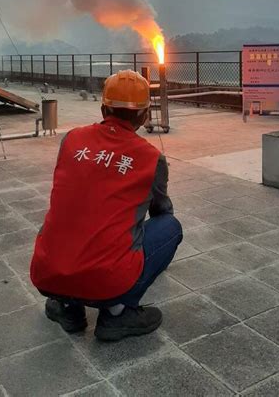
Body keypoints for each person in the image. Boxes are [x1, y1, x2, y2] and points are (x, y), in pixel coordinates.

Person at [30, 69, 182, 342]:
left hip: (47, 272)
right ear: (144, 115)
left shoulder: (72, 139)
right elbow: (161, 212)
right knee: (170, 227)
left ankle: (67, 307)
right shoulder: (151, 158)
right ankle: (117, 312)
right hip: (108, 282)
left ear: (103, 109)